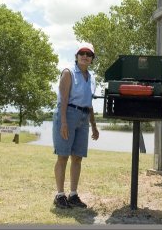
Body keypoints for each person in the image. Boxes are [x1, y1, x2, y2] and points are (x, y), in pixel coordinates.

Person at [52, 42, 99, 209]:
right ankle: (59, 195)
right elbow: (63, 100)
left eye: (88, 54)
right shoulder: (68, 72)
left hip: (84, 117)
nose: (85, 56)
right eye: (82, 53)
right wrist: (63, 122)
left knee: (77, 157)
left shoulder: (92, 78)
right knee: (63, 156)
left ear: (92, 59)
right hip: (68, 114)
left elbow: (90, 103)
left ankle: (73, 195)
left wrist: (93, 125)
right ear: (77, 56)